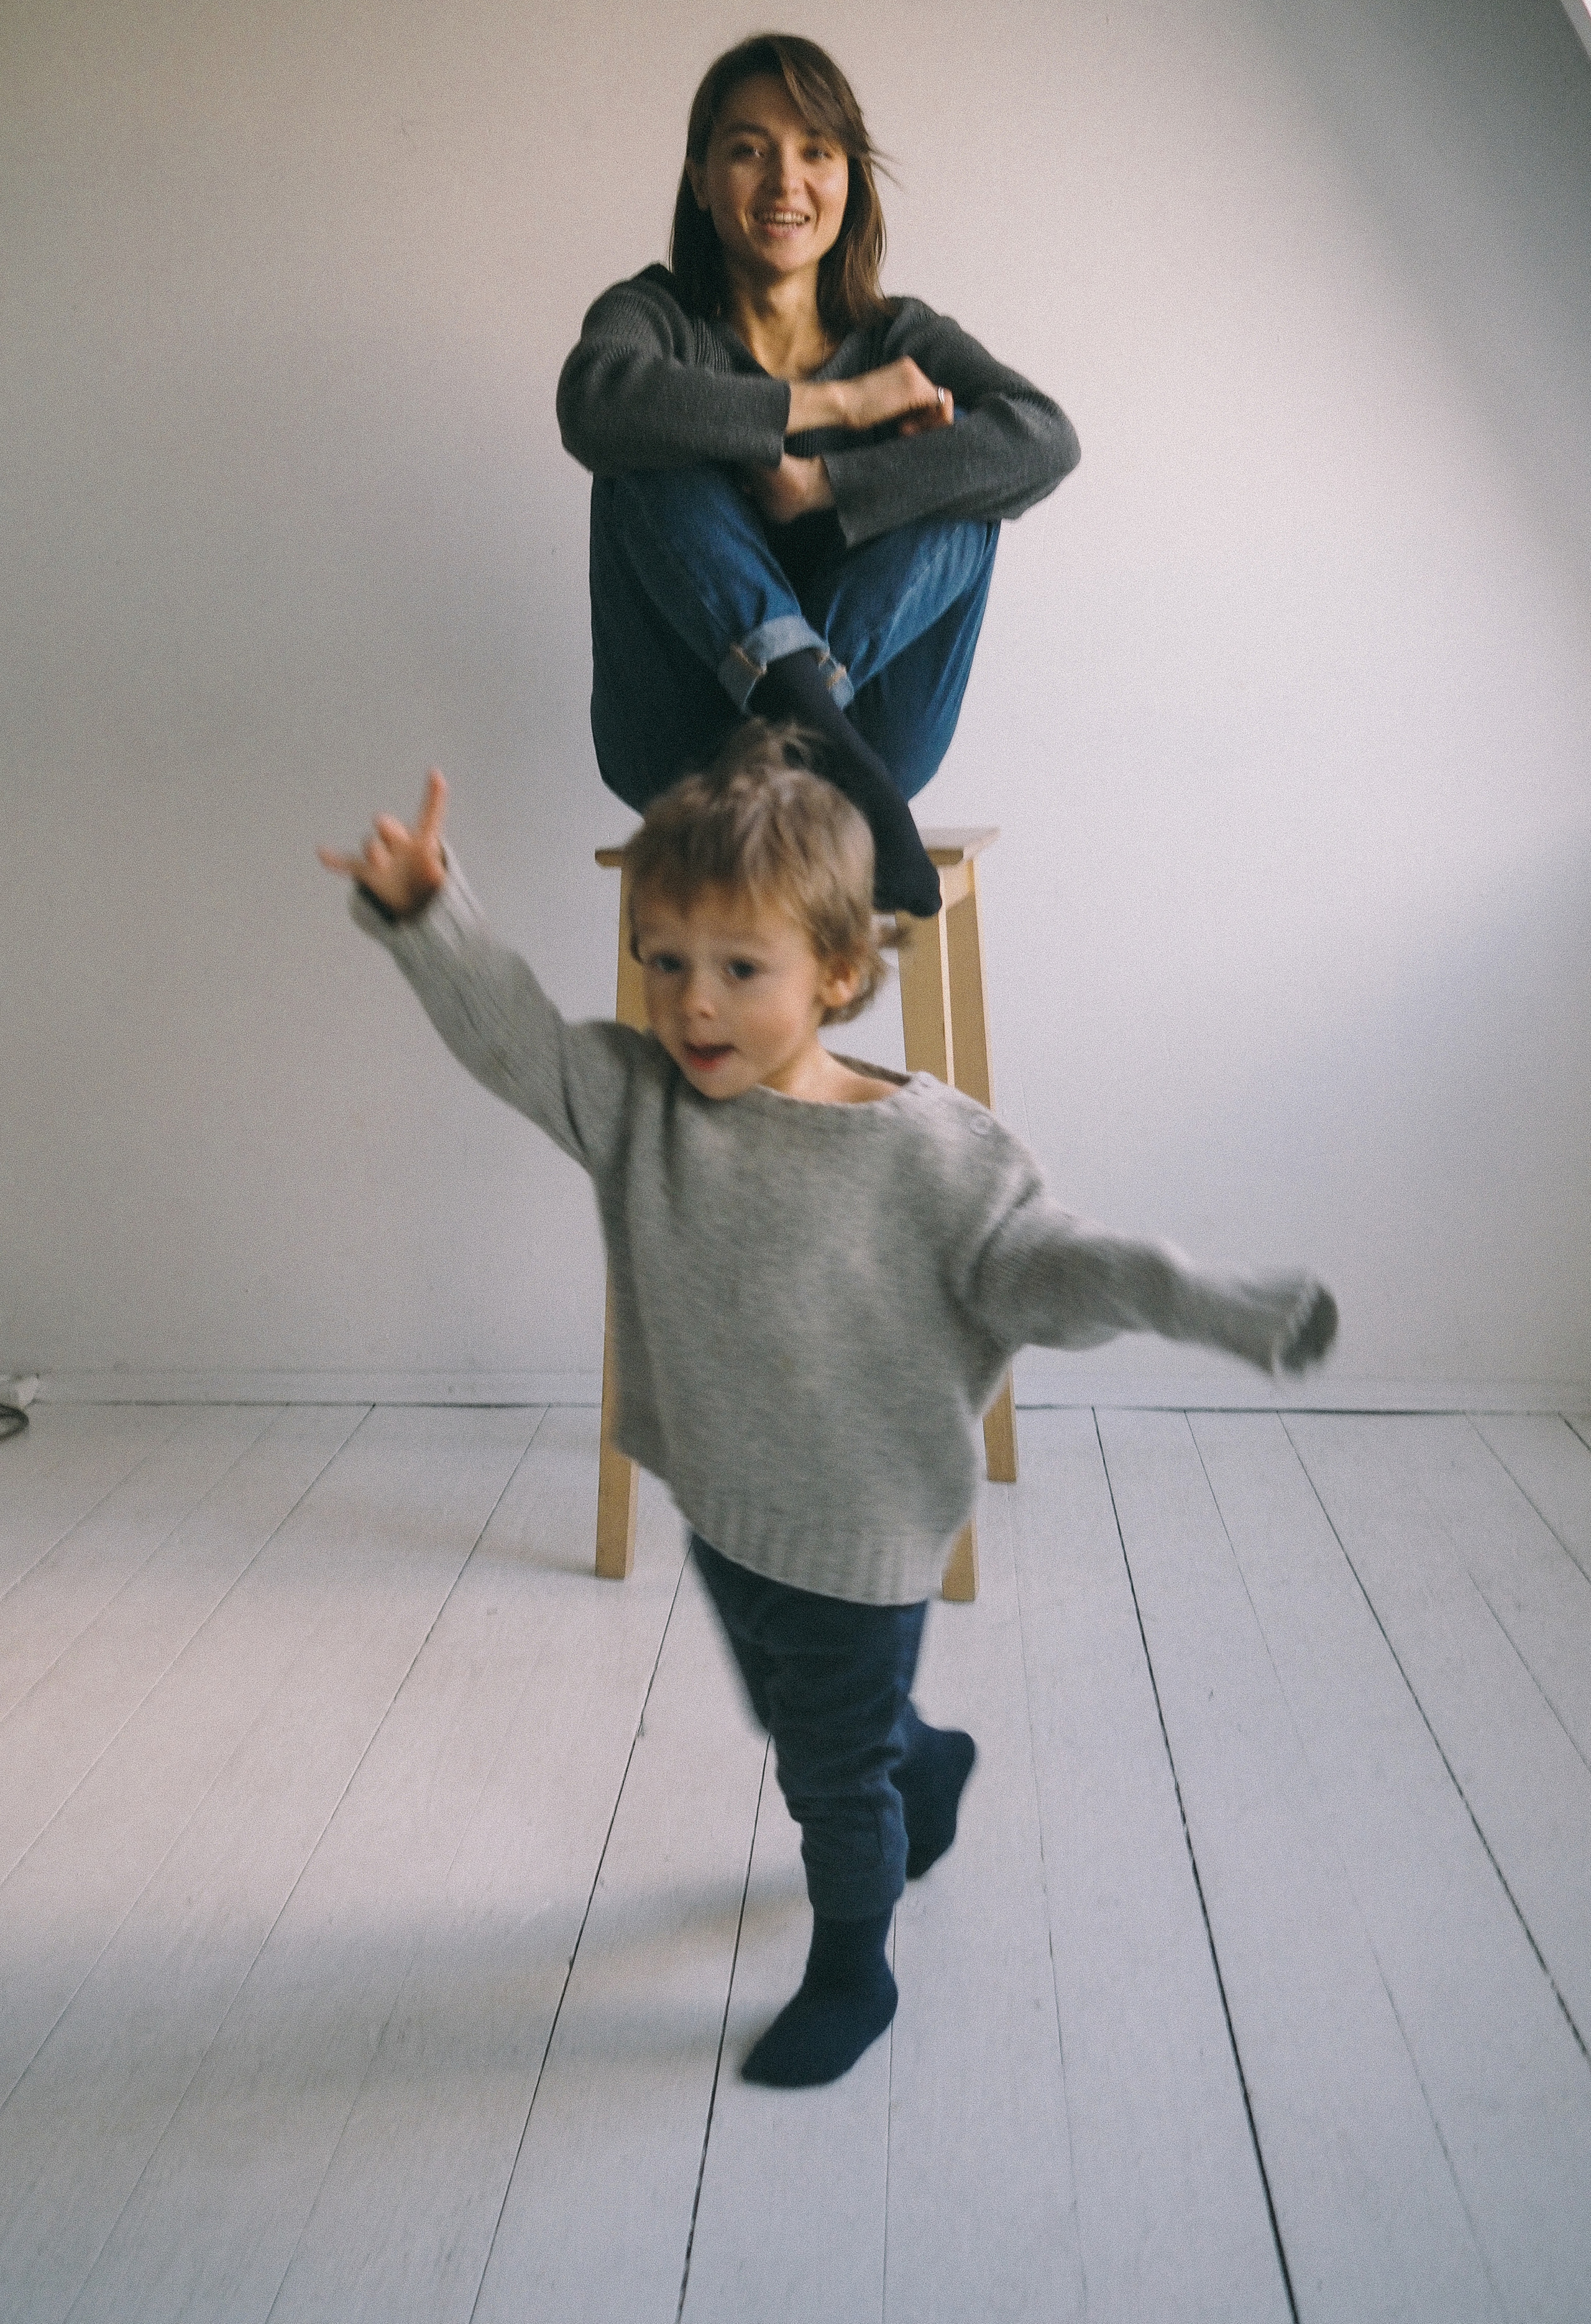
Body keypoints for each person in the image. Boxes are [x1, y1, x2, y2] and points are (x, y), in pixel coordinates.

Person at [318, 732, 1337, 2088]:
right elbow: (507, 1035)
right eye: (665, 961)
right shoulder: (637, 1105)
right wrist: (424, 910)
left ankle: (854, 1963)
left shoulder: (931, 1156)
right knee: (795, 1720)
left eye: (741, 969)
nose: (692, 1003)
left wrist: (1188, 1294)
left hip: (861, 1534)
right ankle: (929, 1760)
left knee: (822, 1775)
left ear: (838, 975)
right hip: (723, 1504)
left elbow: (1051, 1270)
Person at [556, 32, 1081, 917]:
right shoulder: (655, 316)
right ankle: (811, 728)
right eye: (748, 150)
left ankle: (808, 726)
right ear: (698, 176)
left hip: (870, 740)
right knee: (646, 446)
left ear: (850, 179)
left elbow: (1045, 439)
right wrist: (834, 407)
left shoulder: (901, 335)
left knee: (967, 479)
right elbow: (592, 402)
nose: (784, 182)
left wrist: (829, 486)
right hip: (683, 751)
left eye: (815, 152)